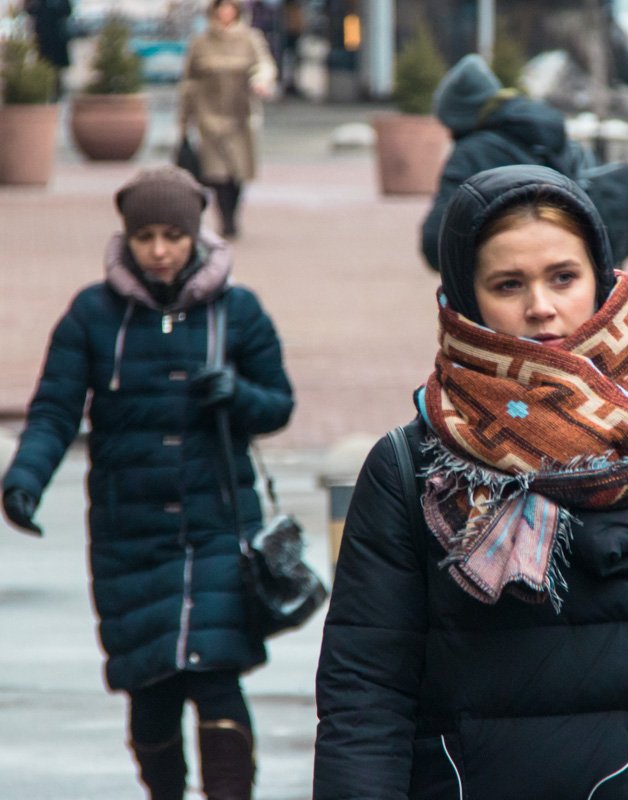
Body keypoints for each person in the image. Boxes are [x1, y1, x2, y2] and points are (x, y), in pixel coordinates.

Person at [314, 164, 628, 799]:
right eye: (508, 284)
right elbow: (366, 696)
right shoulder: (413, 466)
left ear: (599, 278)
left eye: (563, 277)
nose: (541, 307)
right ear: (465, 297)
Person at [1, 166, 294, 800]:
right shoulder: (92, 314)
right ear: (126, 238)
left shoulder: (236, 310)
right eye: (145, 237)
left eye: (172, 236)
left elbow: (278, 405)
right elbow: (54, 410)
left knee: (216, 677)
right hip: (127, 532)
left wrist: (238, 395)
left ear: (195, 235)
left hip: (217, 526)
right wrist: (24, 480)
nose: (159, 250)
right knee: (151, 687)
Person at [419, 54, 628, 273]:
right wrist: (588, 272)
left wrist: (492, 276)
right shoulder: (560, 139)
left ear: (457, 118)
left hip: (510, 293)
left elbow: (435, 242)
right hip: (583, 290)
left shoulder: (471, 153)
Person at [179, 0, 277, 240]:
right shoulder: (201, 41)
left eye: (229, 8)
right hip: (208, 115)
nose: (225, 12)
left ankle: (233, 215)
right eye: (221, 8)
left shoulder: (249, 38)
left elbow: (264, 65)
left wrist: (261, 81)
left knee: (238, 170)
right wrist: (184, 120)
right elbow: (188, 81)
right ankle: (226, 220)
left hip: (240, 115)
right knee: (216, 172)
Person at [24, 0, 72, 99]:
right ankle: (45, 91)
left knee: (57, 68)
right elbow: (29, 9)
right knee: (44, 65)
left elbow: (67, 10)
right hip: (42, 37)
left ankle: (57, 93)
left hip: (57, 37)